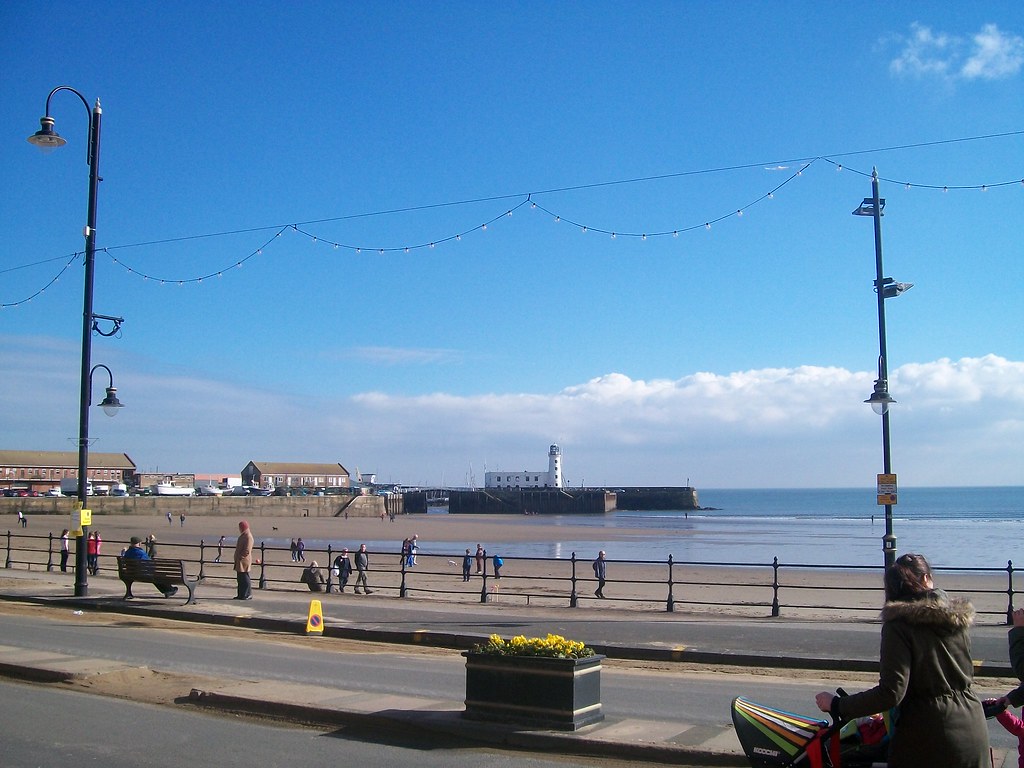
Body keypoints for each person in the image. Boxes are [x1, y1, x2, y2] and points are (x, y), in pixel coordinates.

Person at [814, 553, 988, 768]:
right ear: (926, 579)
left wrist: (839, 704)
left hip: (929, 736)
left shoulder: (899, 625)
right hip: (973, 725)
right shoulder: (956, 619)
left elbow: (891, 692)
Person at [233, 520, 254, 600]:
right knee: (240, 578)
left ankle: (247, 594)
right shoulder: (243, 535)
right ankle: (241, 594)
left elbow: (247, 550)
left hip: (244, 561)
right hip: (240, 561)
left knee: (245, 578)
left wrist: (240, 557)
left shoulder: (248, 536)